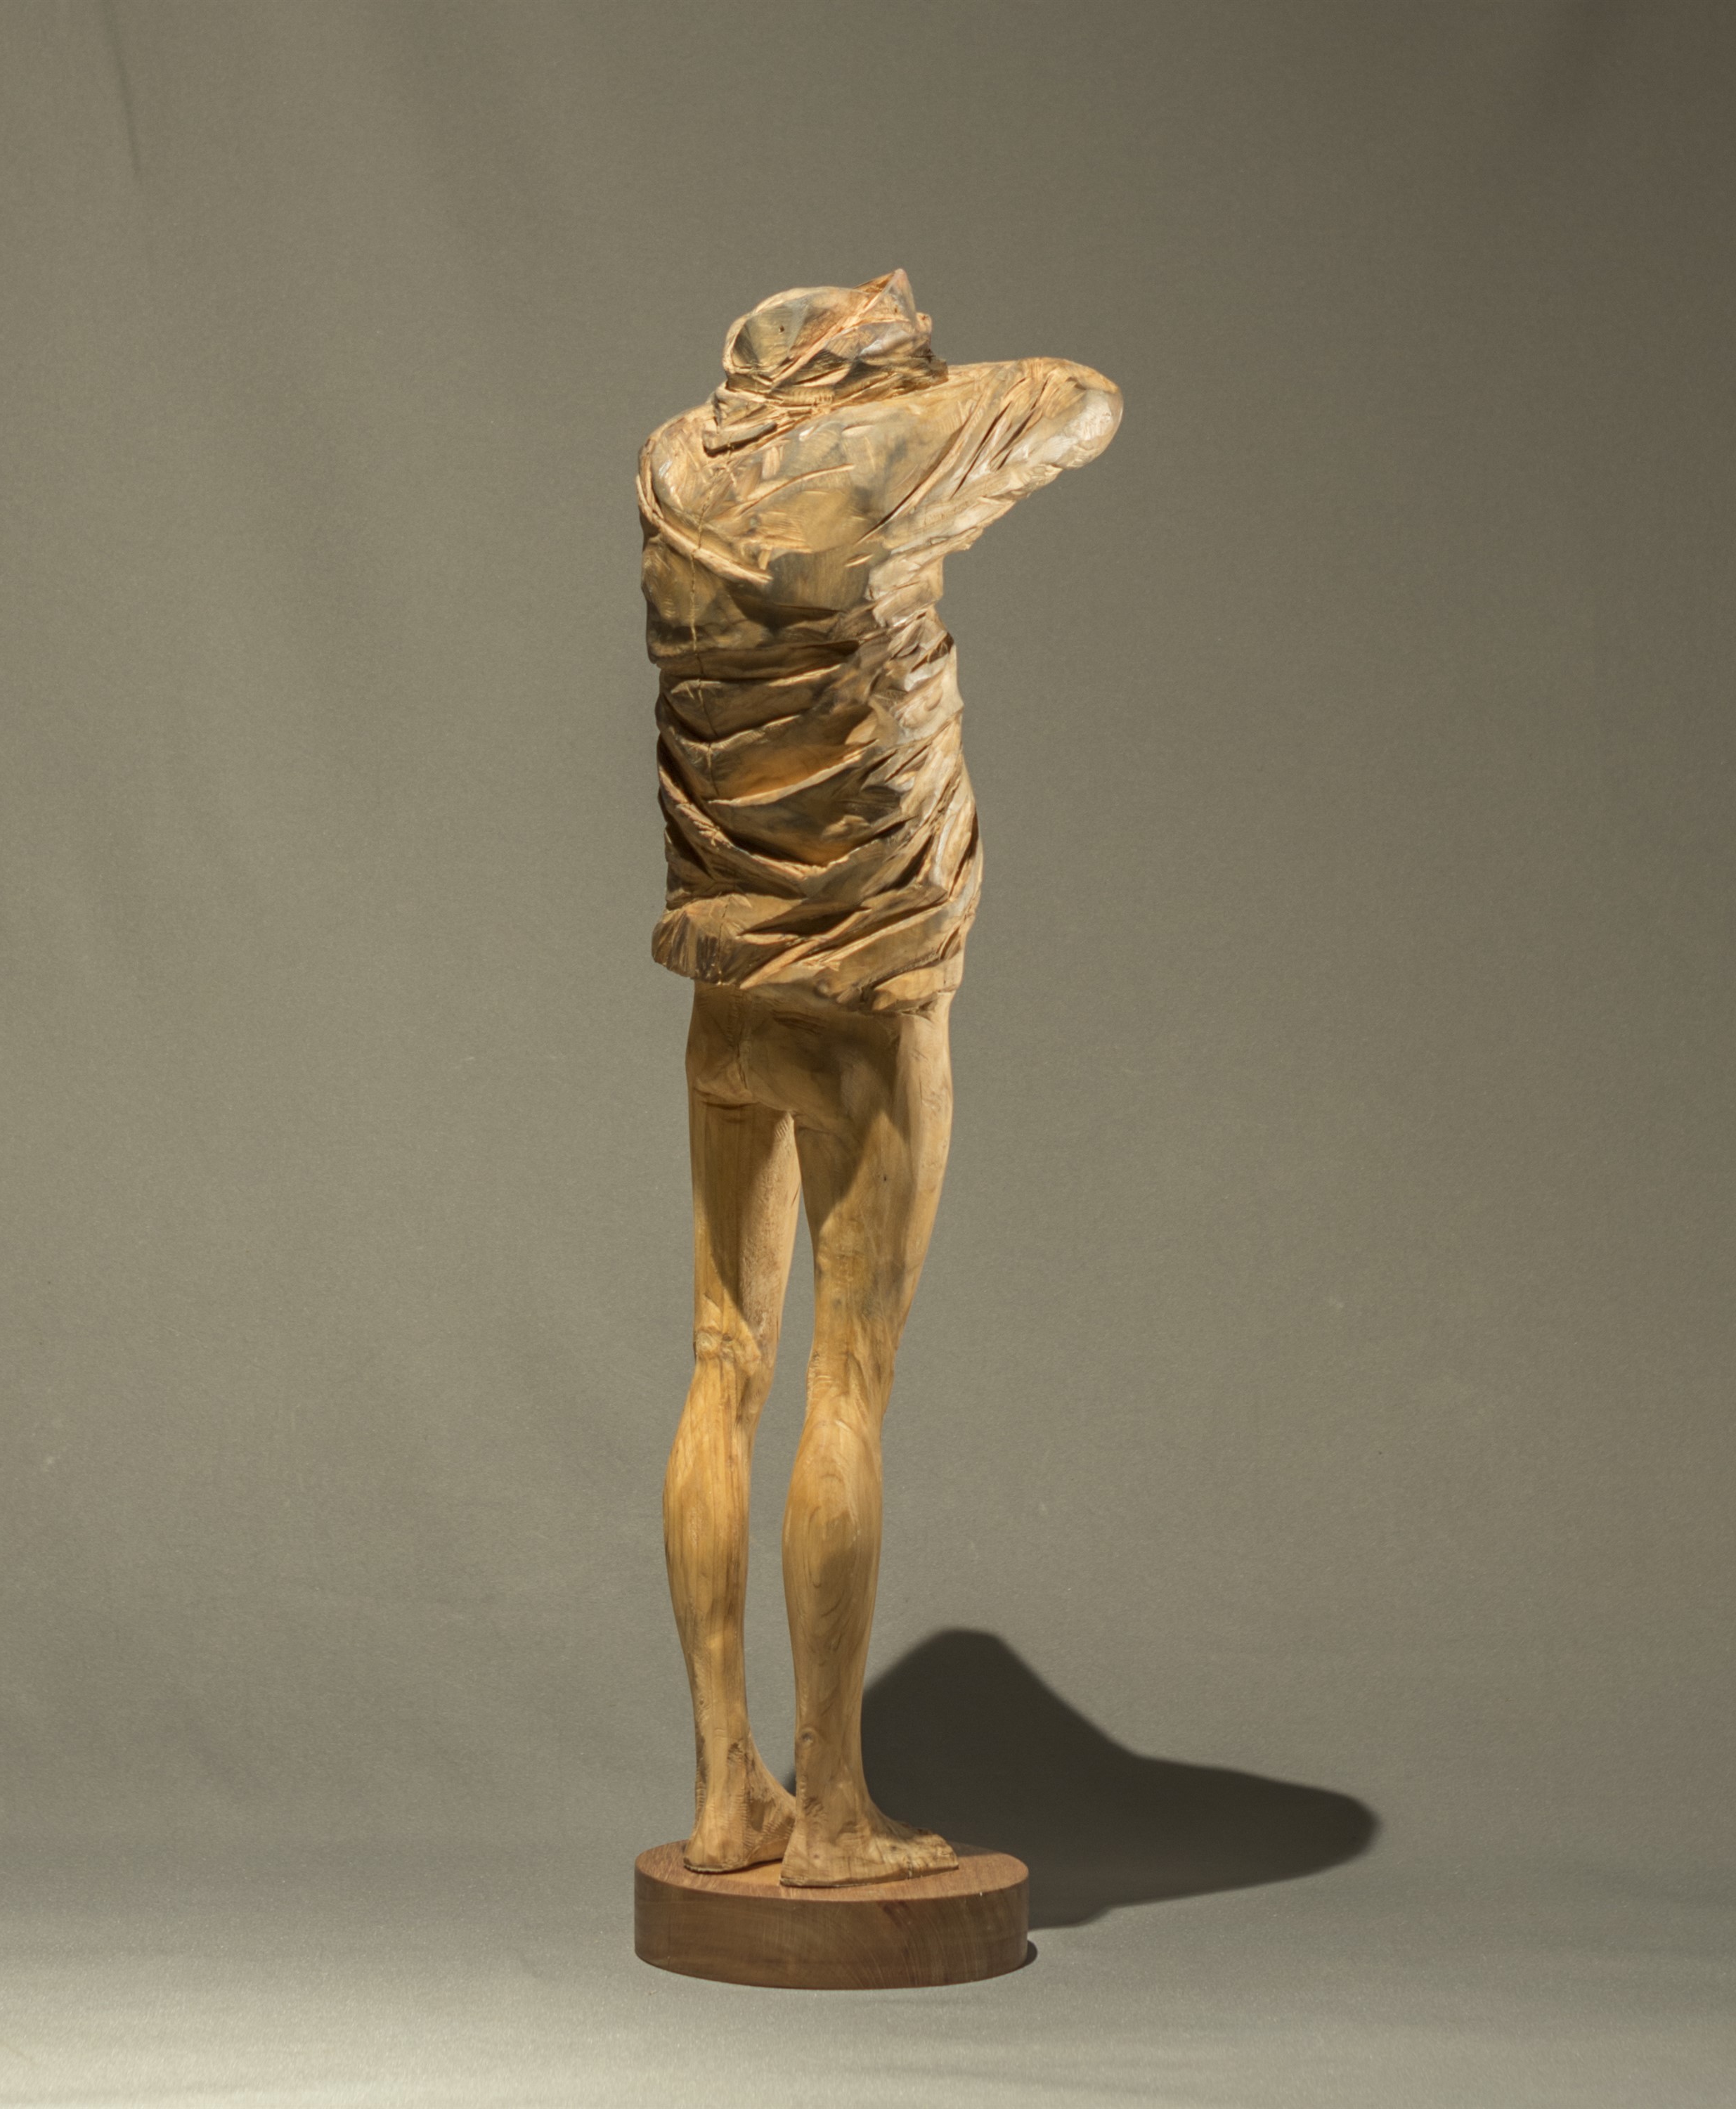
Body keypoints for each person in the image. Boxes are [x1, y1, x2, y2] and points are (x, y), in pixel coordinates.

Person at [639, 271, 1121, 1885]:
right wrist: (903, 411)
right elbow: (1078, 395)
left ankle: (727, 1790)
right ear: (866, 393)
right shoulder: (884, 469)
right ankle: (833, 1810)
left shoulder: (674, 469)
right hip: (866, 988)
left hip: (727, 989)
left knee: (721, 1367)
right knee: (843, 1388)